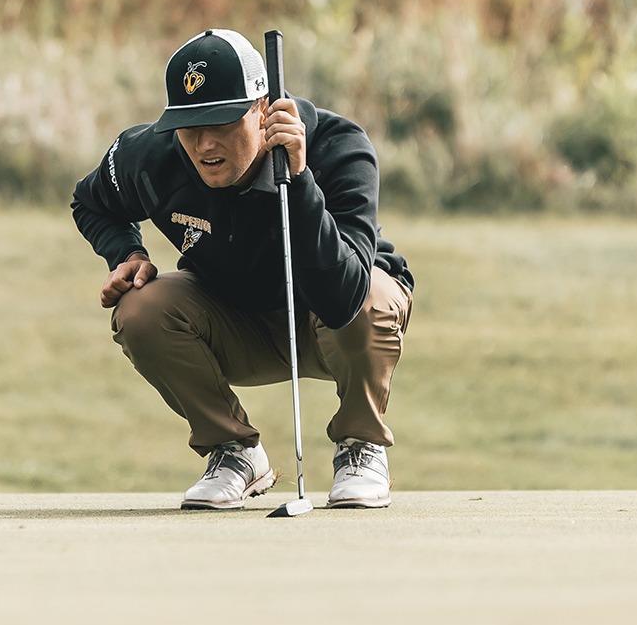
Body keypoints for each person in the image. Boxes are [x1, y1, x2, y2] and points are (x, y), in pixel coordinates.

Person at [70, 29, 415, 510]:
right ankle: (234, 452)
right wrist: (127, 254)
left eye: (222, 122)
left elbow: (344, 297)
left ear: (264, 109)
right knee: (141, 308)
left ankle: (360, 445)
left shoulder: (339, 147)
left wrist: (298, 181)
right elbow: (90, 201)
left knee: (372, 295)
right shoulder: (150, 155)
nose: (204, 143)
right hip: (236, 317)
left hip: (333, 321)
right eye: (190, 125)